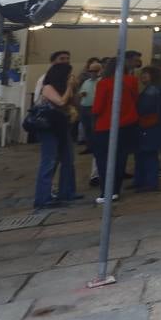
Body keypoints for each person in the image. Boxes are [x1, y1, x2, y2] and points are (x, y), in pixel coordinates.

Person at [91, 56, 139, 203]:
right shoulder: (132, 81)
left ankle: (106, 192)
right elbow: (135, 100)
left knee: (104, 160)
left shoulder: (104, 84)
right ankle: (116, 190)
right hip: (128, 124)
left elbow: (98, 107)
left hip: (106, 126)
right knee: (120, 158)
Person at [33, 62, 79, 209]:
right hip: (50, 127)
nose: (70, 77)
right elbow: (61, 101)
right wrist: (70, 87)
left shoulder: (63, 87)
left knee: (68, 159)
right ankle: (42, 197)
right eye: (68, 74)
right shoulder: (47, 88)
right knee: (49, 161)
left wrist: (72, 88)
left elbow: (72, 102)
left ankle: (67, 191)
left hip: (62, 125)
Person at [134, 66, 161, 192]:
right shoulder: (151, 89)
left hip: (149, 125)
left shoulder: (152, 91)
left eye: (146, 74)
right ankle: (142, 180)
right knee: (143, 154)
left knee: (148, 154)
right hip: (148, 125)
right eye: (142, 74)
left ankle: (150, 182)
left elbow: (145, 108)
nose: (143, 76)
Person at [77, 58, 103, 152]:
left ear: (100, 71)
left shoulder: (101, 81)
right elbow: (81, 92)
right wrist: (81, 94)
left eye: (95, 71)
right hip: (84, 106)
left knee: (94, 129)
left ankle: (96, 146)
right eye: (91, 71)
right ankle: (89, 146)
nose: (92, 73)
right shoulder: (86, 82)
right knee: (87, 128)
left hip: (94, 107)